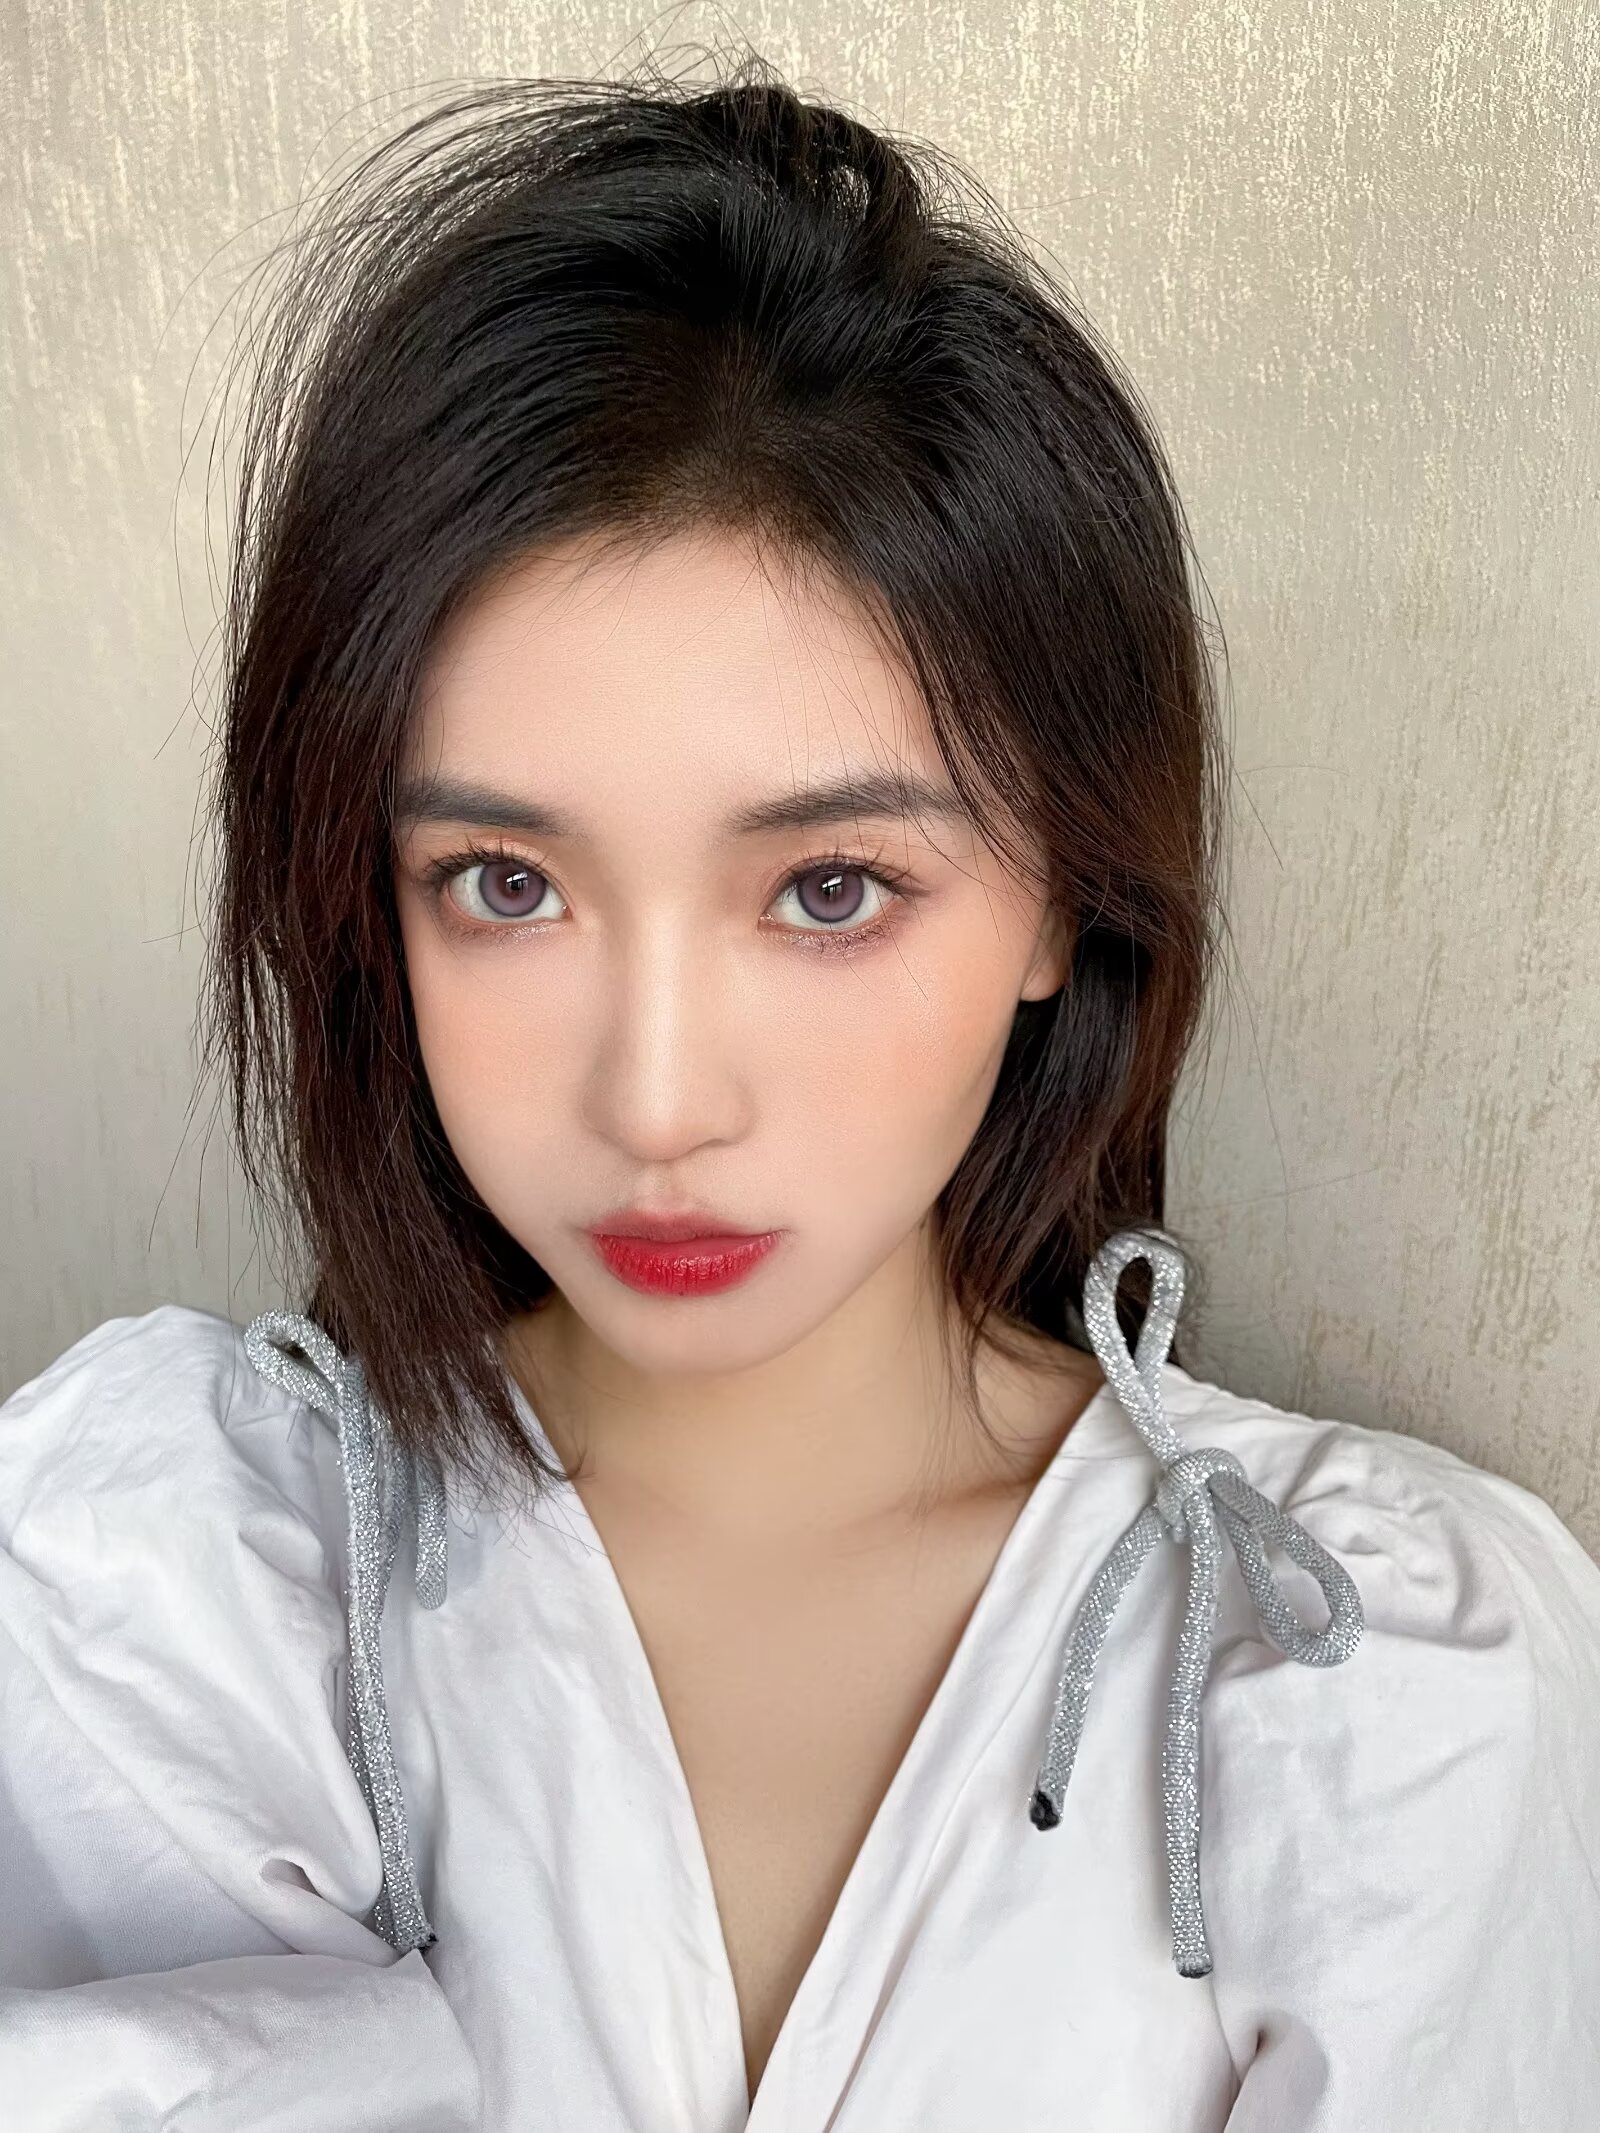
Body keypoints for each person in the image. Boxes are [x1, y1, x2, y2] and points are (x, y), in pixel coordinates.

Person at [2, 56, 1597, 2133]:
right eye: (505, 884)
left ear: (1061, 897)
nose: (658, 1096)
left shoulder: (1365, 1668)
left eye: (829, 887)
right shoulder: (164, 1585)